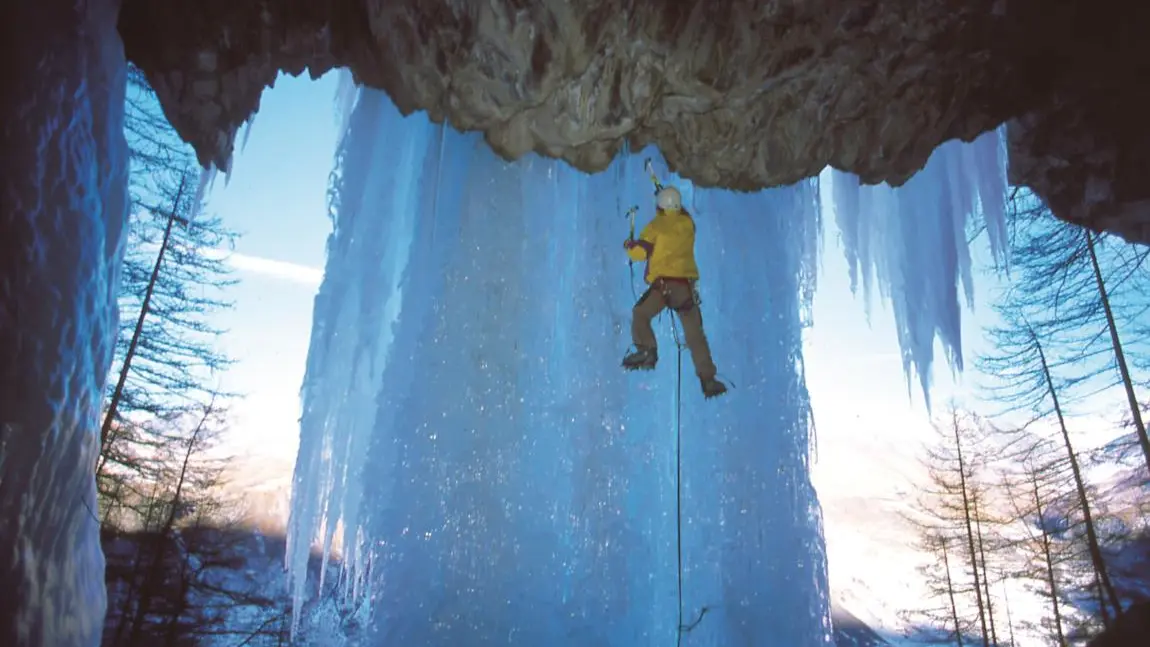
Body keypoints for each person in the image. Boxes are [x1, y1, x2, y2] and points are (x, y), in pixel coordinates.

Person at [622, 186, 728, 399]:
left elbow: (640, 252)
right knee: (694, 334)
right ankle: (708, 380)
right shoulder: (687, 224)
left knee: (640, 314)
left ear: (660, 206)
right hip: (685, 288)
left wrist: (629, 244)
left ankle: (647, 351)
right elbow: (683, 214)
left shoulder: (656, 225)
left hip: (663, 286)